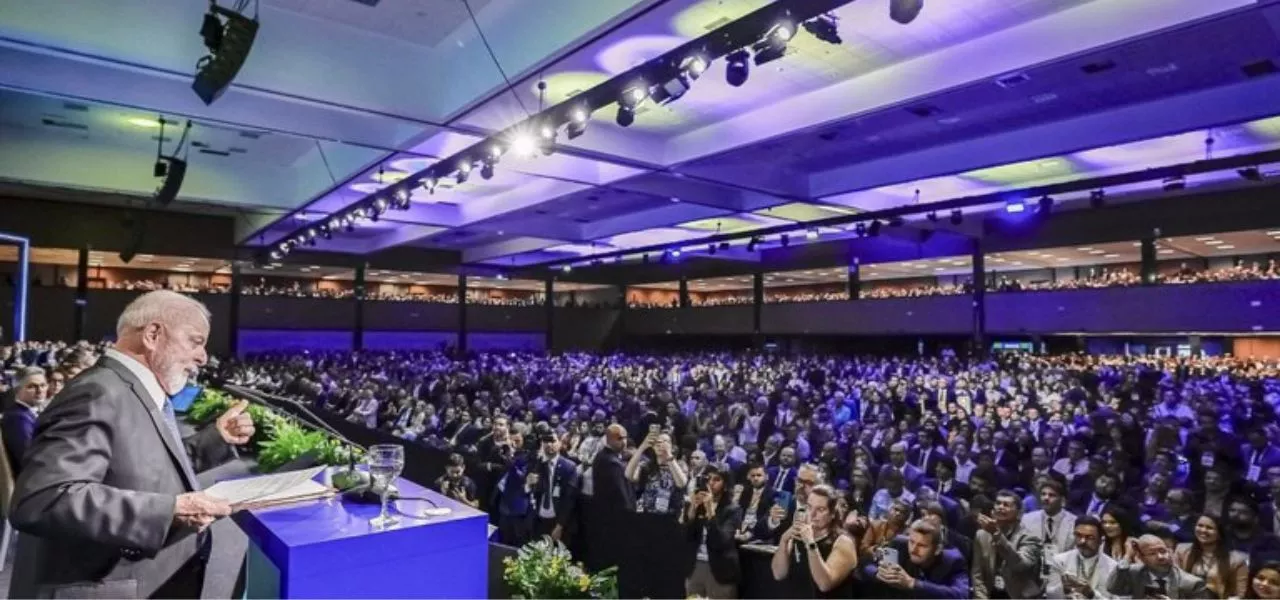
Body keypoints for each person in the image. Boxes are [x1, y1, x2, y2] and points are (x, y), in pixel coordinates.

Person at [7, 291, 256, 599]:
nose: (203, 356)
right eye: (195, 340)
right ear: (152, 334)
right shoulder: (97, 393)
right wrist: (169, 511)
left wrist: (217, 438)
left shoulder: (129, 389)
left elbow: (145, 465)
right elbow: (44, 499)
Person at [770, 483, 858, 598]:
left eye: (820, 509)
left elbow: (824, 584)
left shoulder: (843, 542)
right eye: (809, 507)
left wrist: (811, 544)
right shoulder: (798, 535)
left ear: (832, 514)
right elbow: (778, 574)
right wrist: (784, 541)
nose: (812, 514)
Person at [862, 519, 970, 599]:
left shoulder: (953, 560)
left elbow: (961, 595)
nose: (913, 549)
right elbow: (867, 565)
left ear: (937, 549)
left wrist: (912, 583)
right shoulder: (900, 543)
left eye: (922, 546)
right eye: (912, 542)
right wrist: (878, 573)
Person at [682, 463, 742, 599]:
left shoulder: (733, 510)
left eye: (717, 479)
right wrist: (692, 509)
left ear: (726, 485)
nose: (711, 483)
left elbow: (721, 541)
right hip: (695, 566)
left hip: (719, 569)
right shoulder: (698, 505)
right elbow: (686, 536)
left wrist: (710, 510)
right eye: (708, 479)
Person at [971, 489, 1044, 599]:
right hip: (991, 594)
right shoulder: (982, 535)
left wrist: (997, 535)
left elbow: (1020, 565)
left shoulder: (1030, 538)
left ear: (1019, 513)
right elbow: (978, 574)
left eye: (1006, 505)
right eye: (998, 503)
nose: (1001, 507)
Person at [1108, 535, 1212, 599]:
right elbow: (1113, 588)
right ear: (1141, 558)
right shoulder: (1135, 573)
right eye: (1152, 553)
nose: (1161, 557)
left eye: (1163, 551)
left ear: (1170, 552)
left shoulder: (1192, 584)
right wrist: (1127, 557)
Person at [1173, 514, 1249, 599]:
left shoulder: (1236, 560)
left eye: (1209, 528)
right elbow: (1174, 582)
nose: (1203, 530)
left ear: (1220, 533)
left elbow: (1239, 594)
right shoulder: (1182, 550)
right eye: (1200, 525)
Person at [1044, 515, 1118, 600]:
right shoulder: (1060, 561)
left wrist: (1092, 595)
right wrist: (1063, 589)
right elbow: (1050, 595)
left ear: (1101, 540)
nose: (1082, 541)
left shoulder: (1113, 568)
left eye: (1090, 537)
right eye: (1078, 535)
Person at [2, 366, 47, 475]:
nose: (40, 390)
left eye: (43, 385)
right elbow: (29, 459)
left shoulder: (27, 413)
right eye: (32, 386)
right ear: (17, 390)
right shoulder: (18, 418)